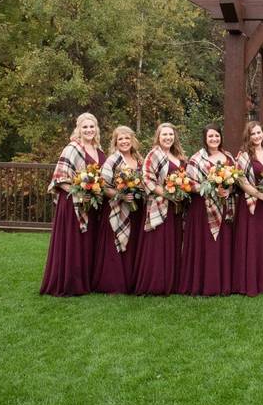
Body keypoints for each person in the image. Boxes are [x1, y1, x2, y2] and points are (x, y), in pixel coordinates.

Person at [40, 112, 106, 296]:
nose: (89, 130)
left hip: (91, 204)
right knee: (74, 244)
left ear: (96, 129)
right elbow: (60, 179)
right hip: (72, 206)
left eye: (92, 126)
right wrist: (79, 193)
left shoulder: (98, 149)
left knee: (87, 244)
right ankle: (69, 284)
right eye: (85, 127)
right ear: (78, 129)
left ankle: (86, 281)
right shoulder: (72, 148)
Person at [180, 124, 237, 296]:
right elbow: (188, 183)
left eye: (217, 136)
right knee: (206, 245)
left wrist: (229, 190)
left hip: (225, 206)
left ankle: (223, 284)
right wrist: (211, 189)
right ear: (205, 139)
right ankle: (204, 284)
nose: (214, 139)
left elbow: (236, 181)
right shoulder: (196, 159)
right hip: (202, 209)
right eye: (210, 136)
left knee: (222, 244)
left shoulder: (228, 157)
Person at [135, 122, 187, 296]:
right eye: (164, 134)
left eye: (171, 135)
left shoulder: (178, 156)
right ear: (158, 136)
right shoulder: (154, 154)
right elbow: (147, 179)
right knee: (157, 244)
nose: (168, 138)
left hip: (176, 207)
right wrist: (167, 194)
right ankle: (155, 284)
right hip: (159, 205)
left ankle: (172, 283)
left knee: (173, 242)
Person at [94, 126, 144, 294]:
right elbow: (102, 186)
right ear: (115, 142)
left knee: (132, 244)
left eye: (127, 138)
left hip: (136, 210)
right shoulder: (113, 160)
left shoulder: (139, 159)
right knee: (116, 243)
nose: (124, 142)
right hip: (116, 209)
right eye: (120, 139)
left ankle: (131, 282)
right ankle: (113, 283)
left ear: (132, 140)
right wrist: (121, 195)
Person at [233, 121, 263, 297]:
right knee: (250, 241)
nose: (257, 136)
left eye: (259, 132)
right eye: (253, 134)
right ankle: (248, 282)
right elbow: (241, 181)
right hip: (251, 204)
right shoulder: (243, 155)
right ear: (248, 136)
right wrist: (260, 195)